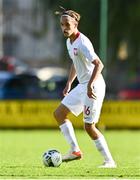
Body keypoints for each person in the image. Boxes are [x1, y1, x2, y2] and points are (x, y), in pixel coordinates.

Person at [54, 7, 116, 168]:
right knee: (59, 113)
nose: (64, 28)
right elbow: (76, 63)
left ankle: (109, 161)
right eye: (62, 24)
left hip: (93, 85)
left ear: (75, 24)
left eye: (67, 24)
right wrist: (69, 83)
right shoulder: (70, 42)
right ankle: (75, 150)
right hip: (83, 85)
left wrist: (89, 86)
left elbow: (99, 64)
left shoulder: (83, 42)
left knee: (89, 126)